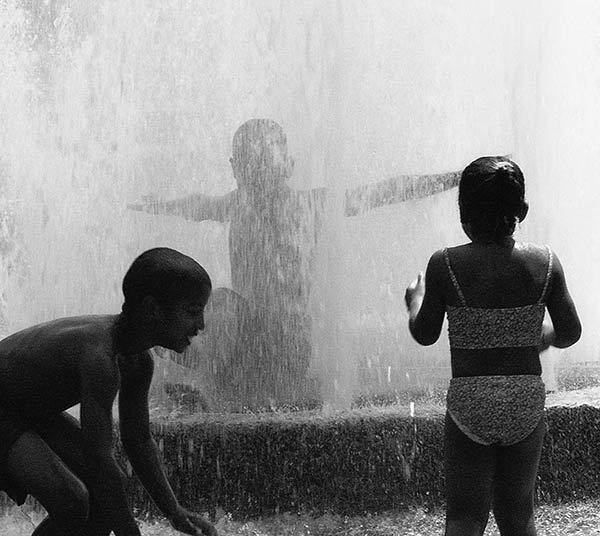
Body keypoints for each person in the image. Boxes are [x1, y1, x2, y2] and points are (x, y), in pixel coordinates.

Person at [131, 118, 462, 406]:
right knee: (211, 306)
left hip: (288, 342)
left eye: (267, 168)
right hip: (245, 344)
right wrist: (157, 205)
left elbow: (384, 191)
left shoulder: (310, 205)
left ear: (288, 166)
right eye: (251, 169)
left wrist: (451, 178)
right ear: (235, 170)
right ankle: (206, 378)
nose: (260, 181)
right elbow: (196, 206)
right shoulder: (236, 205)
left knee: (222, 304)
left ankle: (200, 371)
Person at [404, 156, 581, 536]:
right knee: (518, 513)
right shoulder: (546, 263)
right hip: (524, 398)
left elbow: (426, 334)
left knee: (466, 517)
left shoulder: (444, 264)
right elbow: (570, 331)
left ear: (463, 215)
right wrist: (543, 338)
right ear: (521, 212)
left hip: (470, 400)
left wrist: (413, 301)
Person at [0, 247, 220, 536]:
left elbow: (138, 441)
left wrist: (173, 510)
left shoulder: (137, 362)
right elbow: (98, 456)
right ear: (152, 309)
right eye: (192, 311)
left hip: (31, 412)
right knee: (73, 500)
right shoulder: (99, 357)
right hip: (6, 410)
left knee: (107, 498)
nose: (200, 324)